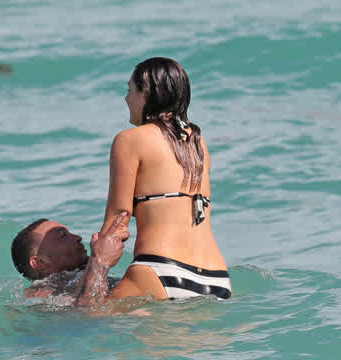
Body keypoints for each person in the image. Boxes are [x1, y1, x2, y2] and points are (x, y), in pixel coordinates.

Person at [76, 57, 232, 304]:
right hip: (217, 279)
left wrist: (87, 281)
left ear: (146, 93)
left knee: (81, 317)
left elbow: (118, 220)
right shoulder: (197, 142)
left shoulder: (129, 140)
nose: (126, 99)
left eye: (130, 90)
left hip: (161, 269)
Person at [10, 214, 129, 299]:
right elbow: (88, 312)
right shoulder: (38, 294)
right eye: (63, 236)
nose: (78, 238)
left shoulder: (77, 278)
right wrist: (100, 261)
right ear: (39, 262)